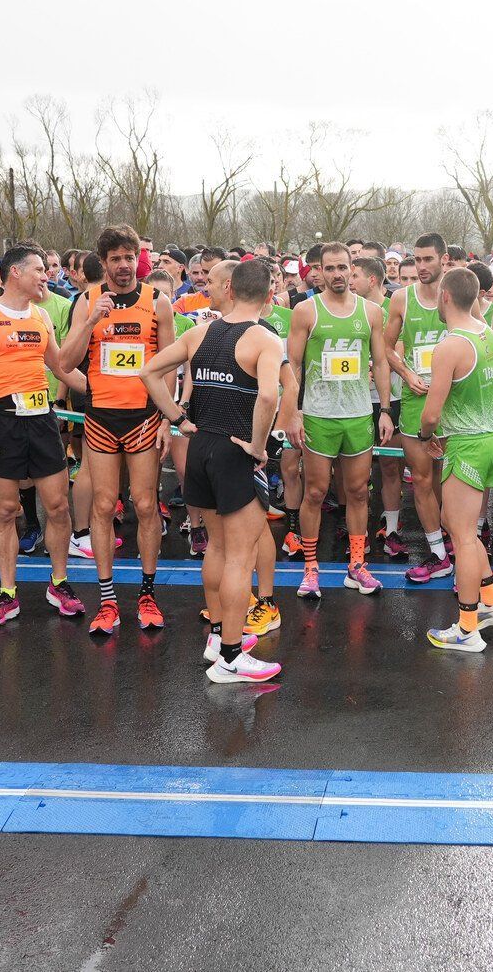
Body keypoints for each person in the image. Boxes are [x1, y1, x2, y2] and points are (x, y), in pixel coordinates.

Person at [142, 257, 283, 685]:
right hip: (234, 451)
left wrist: (178, 419)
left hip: (200, 445)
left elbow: (148, 371)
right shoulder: (265, 338)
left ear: (231, 289)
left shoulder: (199, 331)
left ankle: (219, 636)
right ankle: (231, 657)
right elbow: (267, 398)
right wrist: (259, 447)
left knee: (218, 550)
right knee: (240, 556)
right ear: (270, 295)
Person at [56, 225, 178, 634]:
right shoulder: (87, 301)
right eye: (116, 259)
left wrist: (166, 417)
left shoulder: (158, 303)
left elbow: (168, 364)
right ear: (103, 263)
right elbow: (66, 363)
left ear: (137, 260)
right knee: (103, 507)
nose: (124, 266)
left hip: (143, 417)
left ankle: (147, 593)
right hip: (101, 419)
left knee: (146, 506)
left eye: (130, 258)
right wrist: (91, 321)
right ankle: (107, 601)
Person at [0, 244, 82, 627]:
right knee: (6, 510)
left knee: (58, 506)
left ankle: (59, 583)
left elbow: (61, 367)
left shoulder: (43, 315)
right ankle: (8, 592)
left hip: (41, 416)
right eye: (39, 270)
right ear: (15, 272)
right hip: (1, 420)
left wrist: (105, 398)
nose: (46, 275)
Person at [417, 266, 493, 652]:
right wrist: (487, 406)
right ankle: (492, 603)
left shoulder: (451, 345)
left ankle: (466, 628)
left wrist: (426, 436)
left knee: (461, 536)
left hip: (465, 442)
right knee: (456, 523)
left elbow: (430, 413)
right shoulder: (489, 335)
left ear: (445, 297)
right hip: (489, 439)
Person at [285, 241, 394, 598]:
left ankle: (357, 566)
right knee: (315, 492)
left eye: (342, 268)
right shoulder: (306, 311)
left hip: (359, 414)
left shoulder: (371, 312)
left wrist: (386, 410)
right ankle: (311, 569)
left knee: (359, 491)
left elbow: (380, 363)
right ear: (319, 271)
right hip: (319, 416)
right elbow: (294, 366)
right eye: (328, 268)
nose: (336, 274)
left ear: (352, 269)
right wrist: (294, 412)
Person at [388, 233, 452, 582]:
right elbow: (384, 349)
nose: (422, 266)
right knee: (423, 480)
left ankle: (459, 541)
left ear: (444, 259)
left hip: (454, 405)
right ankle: (438, 553)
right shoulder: (401, 299)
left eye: (429, 259)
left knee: (453, 478)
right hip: (416, 402)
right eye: (417, 259)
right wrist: (406, 372)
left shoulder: (457, 296)